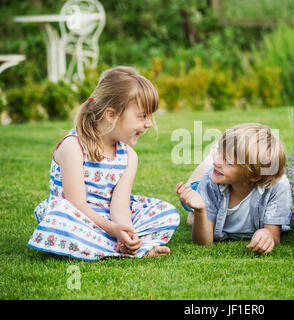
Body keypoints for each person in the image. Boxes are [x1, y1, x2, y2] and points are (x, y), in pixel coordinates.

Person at [27, 66, 180, 261]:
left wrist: (126, 232)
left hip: (109, 221)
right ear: (111, 114)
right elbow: (77, 204)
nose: (149, 123)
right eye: (142, 116)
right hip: (78, 219)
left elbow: (120, 206)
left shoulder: (129, 156)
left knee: (167, 214)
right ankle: (134, 249)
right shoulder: (73, 147)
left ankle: (119, 247)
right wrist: (113, 230)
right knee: (59, 218)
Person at [175, 123, 292, 254]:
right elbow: (203, 243)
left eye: (228, 161)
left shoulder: (277, 187)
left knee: (194, 220)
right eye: (219, 154)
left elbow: (273, 235)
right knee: (192, 196)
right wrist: (200, 210)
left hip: (221, 181)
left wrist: (267, 234)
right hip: (210, 183)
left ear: (254, 176)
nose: (217, 161)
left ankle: (196, 215)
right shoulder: (210, 179)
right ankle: (208, 159)